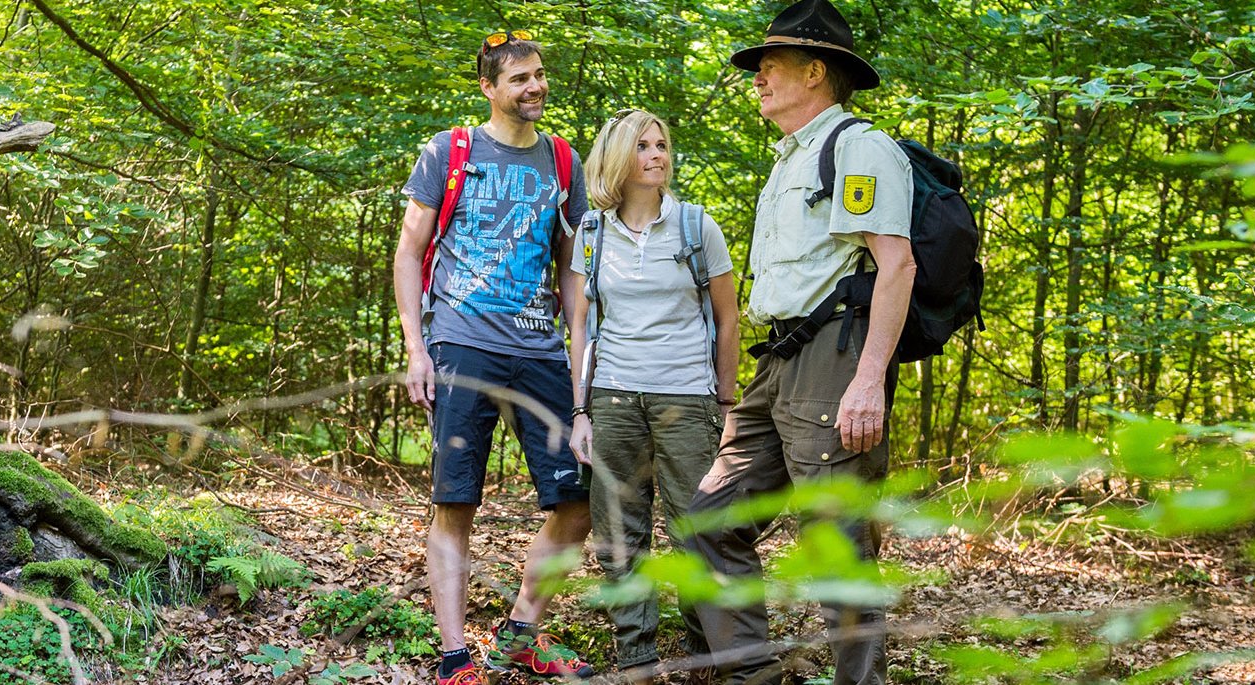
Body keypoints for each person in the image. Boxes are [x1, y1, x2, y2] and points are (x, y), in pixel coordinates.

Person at [680, 1, 915, 684]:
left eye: (770, 65)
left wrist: (869, 378)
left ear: (815, 72)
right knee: (709, 520)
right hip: (777, 360)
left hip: (833, 359)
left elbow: (896, 266)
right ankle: (753, 671)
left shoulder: (858, 147)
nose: (758, 78)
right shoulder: (792, 156)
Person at [392, 29, 597, 685]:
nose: (534, 86)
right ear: (488, 88)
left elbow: (572, 272)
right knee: (456, 502)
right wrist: (415, 346)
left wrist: (580, 356)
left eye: (538, 75)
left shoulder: (564, 162)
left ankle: (518, 634)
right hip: (460, 343)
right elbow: (407, 252)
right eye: (518, 79)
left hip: (541, 350)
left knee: (577, 502)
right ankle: (456, 658)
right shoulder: (449, 150)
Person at [562, 109, 740, 677]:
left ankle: (706, 654)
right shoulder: (591, 232)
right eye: (644, 146)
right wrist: (580, 410)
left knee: (698, 530)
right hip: (612, 399)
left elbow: (728, 319)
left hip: (687, 400)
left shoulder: (695, 226)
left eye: (662, 144)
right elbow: (582, 327)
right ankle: (636, 654)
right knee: (619, 534)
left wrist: (728, 404)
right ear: (618, 158)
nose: (657, 154)